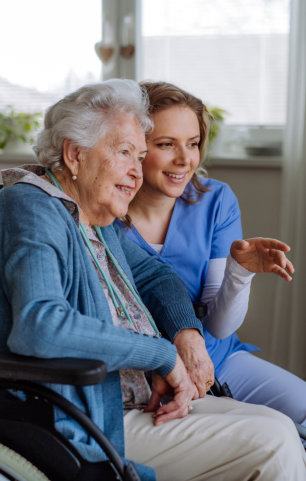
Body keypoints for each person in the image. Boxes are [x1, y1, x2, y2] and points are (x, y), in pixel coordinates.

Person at [0, 80, 305, 481]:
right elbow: (40, 327)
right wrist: (160, 355)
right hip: (85, 413)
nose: (135, 171)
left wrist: (184, 334)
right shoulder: (33, 207)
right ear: (75, 154)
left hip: (133, 396)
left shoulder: (90, 212)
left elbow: (154, 273)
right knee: (273, 443)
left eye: (139, 155)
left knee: (280, 426)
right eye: (125, 152)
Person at [116, 80, 306, 437]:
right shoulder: (105, 212)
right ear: (134, 147)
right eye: (166, 144)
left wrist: (240, 272)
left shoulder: (214, 201)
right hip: (147, 376)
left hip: (217, 358)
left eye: (193, 143)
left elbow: (219, 327)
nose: (185, 160)